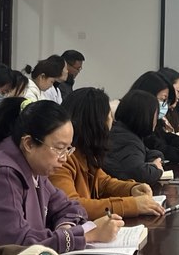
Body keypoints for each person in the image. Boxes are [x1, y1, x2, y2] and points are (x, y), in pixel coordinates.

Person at [0, 98, 121, 255]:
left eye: (68, 149)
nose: (64, 158)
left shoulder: (35, 165)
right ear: (29, 144)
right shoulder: (2, 174)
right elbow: (19, 243)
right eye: (59, 148)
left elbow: (70, 207)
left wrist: (65, 227)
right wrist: (88, 235)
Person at [50, 88, 165, 218]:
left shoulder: (85, 153)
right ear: (97, 122)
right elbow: (71, 206)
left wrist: (132, 189)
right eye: (109, 116)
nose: (112, 122)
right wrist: (132, 205)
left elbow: (104, 183)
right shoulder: (62, 159)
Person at [132, 70, 179, 164]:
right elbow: (158, 147)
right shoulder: (136, 121)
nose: (165, 105)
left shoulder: (156, 119)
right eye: (163, 99)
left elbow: (165, 136)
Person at [105, 91, 167, 184]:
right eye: (155, 115)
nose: (156, 121)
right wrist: (156, 169)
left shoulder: (125, 133)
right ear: (145, 115)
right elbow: (140, 175)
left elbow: (151, 154)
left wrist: (154, 161)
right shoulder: (127, 140)